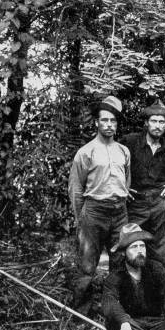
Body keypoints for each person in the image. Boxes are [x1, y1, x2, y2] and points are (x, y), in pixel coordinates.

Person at [68, 95, 131, 312]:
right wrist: (81, 218)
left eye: (113, 121)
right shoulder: (85, 152)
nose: (109, 125)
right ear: (96, 122)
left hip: (119, 211)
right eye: (104, 120)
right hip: (94, 211)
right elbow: (76, 190)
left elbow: (126, 181)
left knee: (120, 261)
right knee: (87, 265)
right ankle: (81, 313)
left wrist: (120, 199)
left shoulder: (124, 151)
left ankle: (114, 308)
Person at [119, 101, 165, 266]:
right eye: (154, 121)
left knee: (158, 249)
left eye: (161, 122)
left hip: (159, 202)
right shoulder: (130, 142)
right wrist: (122, 186)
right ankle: (131, 285)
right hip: (135, 201)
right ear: (146, 123)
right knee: (131, 243)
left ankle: (156, 285)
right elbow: (115, 165)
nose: (157, 126)